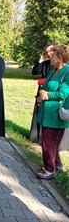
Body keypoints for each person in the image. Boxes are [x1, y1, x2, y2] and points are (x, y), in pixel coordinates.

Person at [36, 45, 69, 179]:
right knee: (51, 142)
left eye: (53, 55)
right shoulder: (54, 69)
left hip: (55, 115)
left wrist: (47, 95)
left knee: (48, 143)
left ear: (60, 58)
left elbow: (63, 93)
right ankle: (57, 166)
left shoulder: (67, 72)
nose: (50, 56)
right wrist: (41, 94)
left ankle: (49, 170)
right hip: (47, 112)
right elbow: (44, 86)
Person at [29, 44, 55, 142]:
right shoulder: (46, 62)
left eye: (50, 51)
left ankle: (44, 138)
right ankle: (35, 137)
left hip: (50, 91)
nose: (48, 53)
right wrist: (41, 60)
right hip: (41, 90)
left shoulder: (58, 64)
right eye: (47, 51)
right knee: (38, 111)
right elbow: (35, 72)